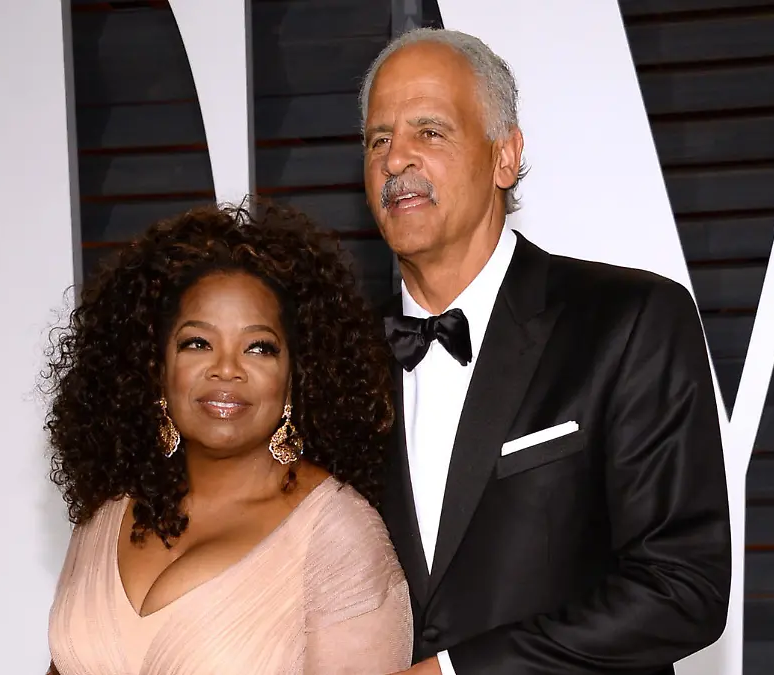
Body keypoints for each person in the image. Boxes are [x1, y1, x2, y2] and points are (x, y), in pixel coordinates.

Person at [360, 28, 732, 674]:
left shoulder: (629, 320)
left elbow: (681, 585)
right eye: (378, 139)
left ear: (505, 156)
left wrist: (458, 670)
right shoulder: (339, 358)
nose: (396, 160)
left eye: (430, 132)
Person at [40, 203, 412, 675]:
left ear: (296, 378)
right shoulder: (107, 515)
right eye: (197, 343)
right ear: (157, 368)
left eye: (259, 347)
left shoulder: (337, 536)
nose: (226, 368)